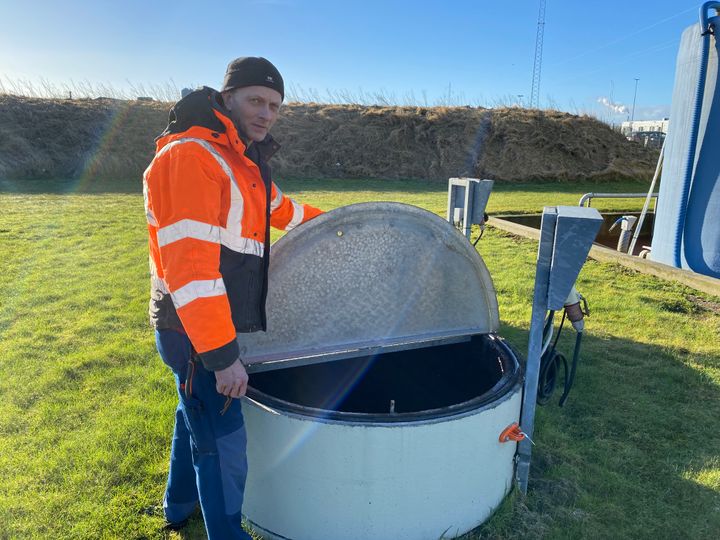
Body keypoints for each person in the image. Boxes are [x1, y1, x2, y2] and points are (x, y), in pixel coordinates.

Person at [143, 57, 323, 539]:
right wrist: (223, 359)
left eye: (276, 106)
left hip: (207, 326)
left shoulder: (243, 163)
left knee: (194, 415)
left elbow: (286, 210)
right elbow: (192, 275)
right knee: (222, 442)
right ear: (227, 99)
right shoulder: (190, 158)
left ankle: (178, 507)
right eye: (256, 101)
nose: (267, 114)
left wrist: (347, 226)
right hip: (192, 329)